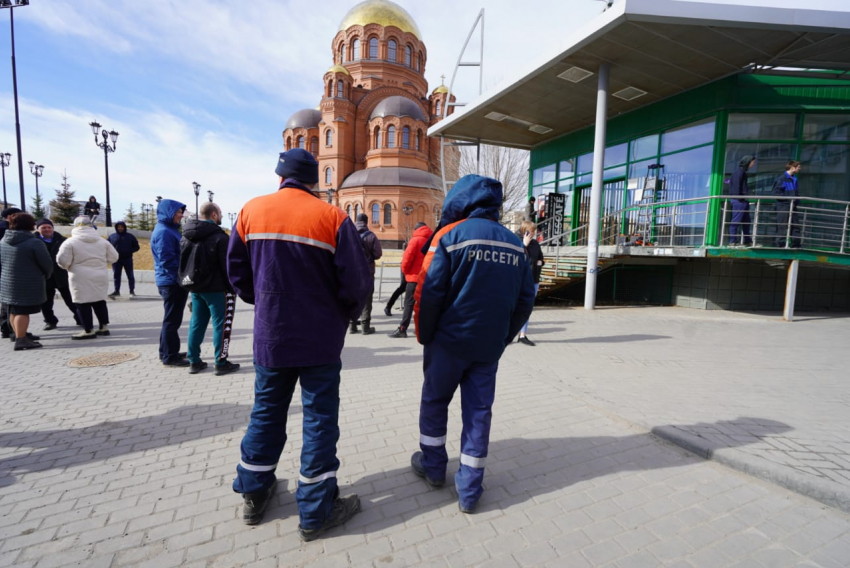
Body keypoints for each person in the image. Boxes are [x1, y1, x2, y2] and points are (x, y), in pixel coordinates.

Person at [227, 148, 371, 537]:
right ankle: (316, 509)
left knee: (266, 412)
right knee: (320, 419)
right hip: (320, 340)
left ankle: (254, 494)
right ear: (314, 182)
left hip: (271, 337)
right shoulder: (333, 217)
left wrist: (267, 302)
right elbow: (356, 284)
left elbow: (237, 273)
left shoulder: (250, 211)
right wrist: (343, 316)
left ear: (279, 177)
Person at [411, 174, 535, 514]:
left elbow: (428, 292)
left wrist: (425, 335)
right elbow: (526, 300)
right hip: (487, 347)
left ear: (462, 201)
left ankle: (434, 468)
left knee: (435, 402)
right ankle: (469, 489)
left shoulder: (449, 236)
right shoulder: (514, 243)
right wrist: (504, 338)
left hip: (448, 343)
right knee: (479, 414)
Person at [182, 202, 240, 376]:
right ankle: (221, 362)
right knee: (221, 326)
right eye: (220, 213)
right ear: (214, 215)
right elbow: (227, 266)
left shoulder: (186, 235)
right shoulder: (220, 237)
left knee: (196, 324)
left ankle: (194, 361)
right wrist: (233, 287)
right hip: (218, 289)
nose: (221, 216)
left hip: (196, 286)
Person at [57, 217, 119, 340]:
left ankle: (88, 330)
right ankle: (103, 327)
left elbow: (63, 261)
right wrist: (101, 262)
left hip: (79, 276)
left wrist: (69, 266)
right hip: (99, 274)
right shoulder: (102, 241)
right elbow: (114, 257)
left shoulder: (70, 242)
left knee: (82, 302)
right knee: (99, 301)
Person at [0, 213, 52, 350]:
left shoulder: (3, 240)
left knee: (13, 310)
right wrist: (46, 275)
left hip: (8, 282)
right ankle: (21, 340)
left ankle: (18, 334)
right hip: (27, 282)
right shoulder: (34, 242)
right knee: (22, 312)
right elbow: (46, 263)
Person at [152, 198, 189, 367]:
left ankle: (167, 351)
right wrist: (181, 279)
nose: (181, 215)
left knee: (171, 320)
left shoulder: (168, 229)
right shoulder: (164, 232)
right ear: (169, 212)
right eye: (178, 212)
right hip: (171, 283)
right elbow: (167, 260)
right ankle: (169, 356)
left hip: (172, 281)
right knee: (171, 321)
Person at [388, 221, 432, 338]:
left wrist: (406, 273)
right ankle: (423, 328)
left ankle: (402, 329)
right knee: (423, 304)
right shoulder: (432, 240)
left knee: (409, 304)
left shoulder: (415, 240)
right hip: (427, 278)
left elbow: (406, 260)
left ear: (416, 230)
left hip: (413, 278)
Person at [35, 219, 80, 330]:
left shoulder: (63, 240)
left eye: (49, 227)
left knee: (72, 299)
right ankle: (50, 321)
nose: (47, 229)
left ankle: (80, 318)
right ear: (38, 229)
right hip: (44, 276)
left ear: (53, 228)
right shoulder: (33, 241)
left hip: (62, 275)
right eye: (43, 227)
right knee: (46, 303)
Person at [349, 212, 382, 335]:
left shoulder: (349, 235)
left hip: (351, 272)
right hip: (367, 272)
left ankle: (352, 325)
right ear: (366, 222)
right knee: (367, 299)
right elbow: (378, 254)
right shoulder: (371, 236)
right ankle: (365, 327)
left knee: (353, 297)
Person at [517, 220, 545, 346]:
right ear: (525, 230)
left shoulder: (535, 244)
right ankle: (506, 335)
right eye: (531, 231)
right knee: (512, 308)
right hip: (519, 280)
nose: (533, 233)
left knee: (527, 308)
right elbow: (515, 257)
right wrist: (524, 245)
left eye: (534, 231)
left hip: (533, 279)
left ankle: (522, 335)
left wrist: (541, 263)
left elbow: (540, 257)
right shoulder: (515, 241)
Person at [0, 207, 22, 339]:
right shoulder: (6, 229)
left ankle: (6, 328)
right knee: (11, 301)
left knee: (6, 300)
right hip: (7, 269)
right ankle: (14, 330)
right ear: (10, 216)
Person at [774, 160, 802, 248]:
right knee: (782, 225)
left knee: (795, 225)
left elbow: (795, 193)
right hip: (783, 206)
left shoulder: (794, 179)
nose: (799, 169)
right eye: (798, 167)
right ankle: (780, 244)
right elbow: (776, 193)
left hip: (792, 205)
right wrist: (788, 199)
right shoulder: (782, 179)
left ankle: (796, 244)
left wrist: (796, 201)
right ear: (792, 167)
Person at [108, 221, 140, 298]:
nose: (120, 228)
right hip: (116, 260)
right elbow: (107, 246)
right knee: (116, 276)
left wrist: (130, 251)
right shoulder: (112, 236)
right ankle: (116, 291)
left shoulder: (130, 236)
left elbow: (137, 247)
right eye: (119, 227)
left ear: (124, 227)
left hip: (127, 259)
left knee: (130, 276)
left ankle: (132, 291)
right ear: (116, 228)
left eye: (122, 227)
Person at [728, 155, 754, 246]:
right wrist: (740, 198)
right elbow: (736, 187)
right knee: (736, 221)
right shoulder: (739, 173)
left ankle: (747, 240)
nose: (753, 164)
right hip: (739, 201)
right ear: (747, 162)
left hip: (742, 200)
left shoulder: (742, 172)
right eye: (752, 162)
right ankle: (732, 240)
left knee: (746, 221)